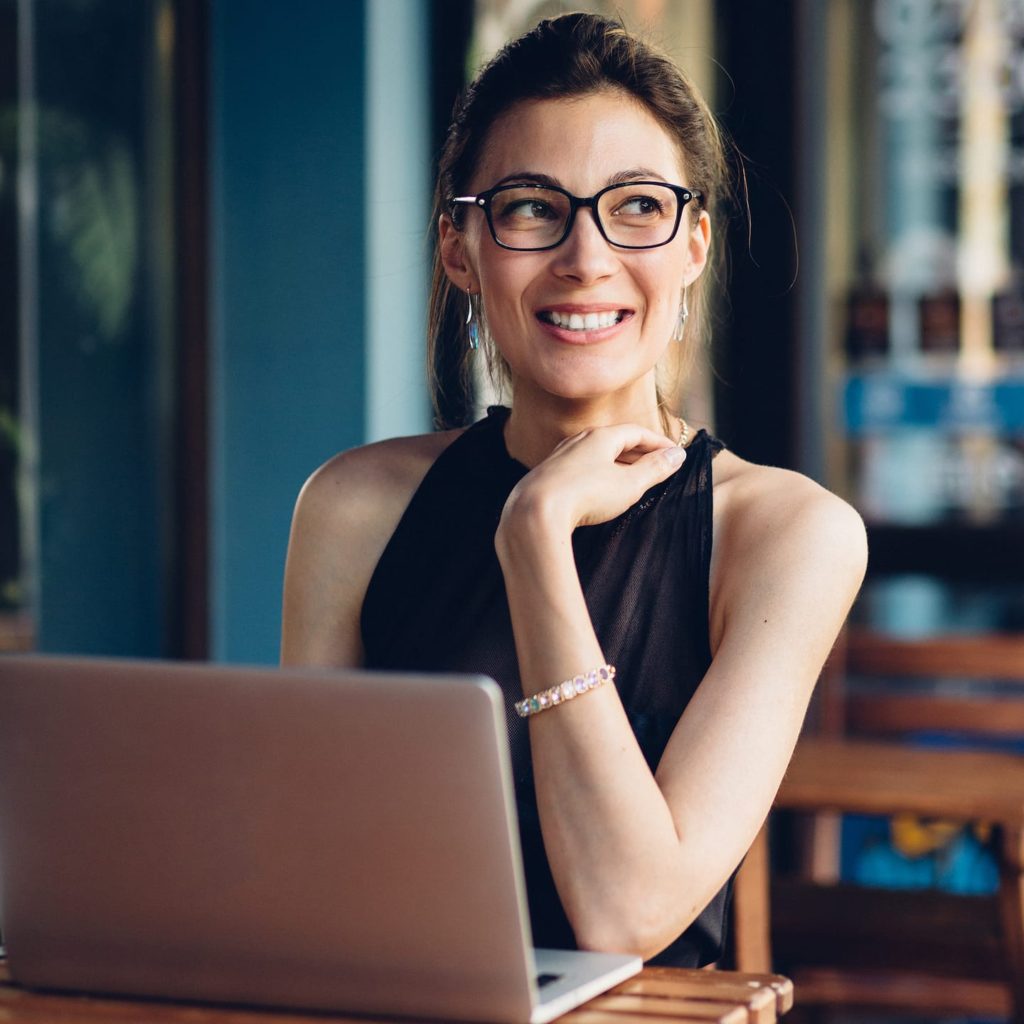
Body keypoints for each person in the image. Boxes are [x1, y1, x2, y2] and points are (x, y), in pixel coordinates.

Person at [281, 12, 866, 967]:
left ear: (694, 247)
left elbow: (625, 913)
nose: (586, 256)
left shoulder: (794, 534)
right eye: (529, 207)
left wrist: (536, 534)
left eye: (637, 205)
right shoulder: (354, 505)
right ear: (460, 251)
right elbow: (308, 855)